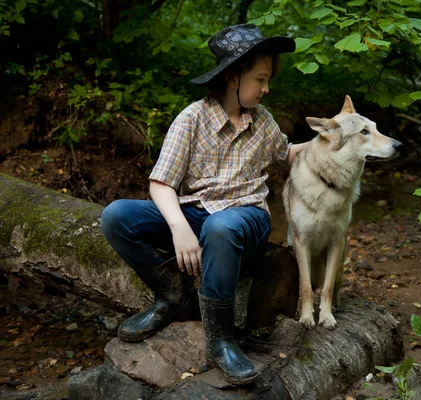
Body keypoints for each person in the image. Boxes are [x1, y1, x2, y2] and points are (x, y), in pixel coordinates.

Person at [100, 24, 306, 385]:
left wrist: (337, 140)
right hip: (196, 214)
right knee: (116, 215)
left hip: (245, 219)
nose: (266, 88)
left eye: (268, 79)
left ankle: (220, 338)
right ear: (232, 76)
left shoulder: (264, 122)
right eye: (260, 79)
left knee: (222, 225)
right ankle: (171, 296)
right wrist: (179, 227)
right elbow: (161, 183)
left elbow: (287, 154)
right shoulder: (191, 119)